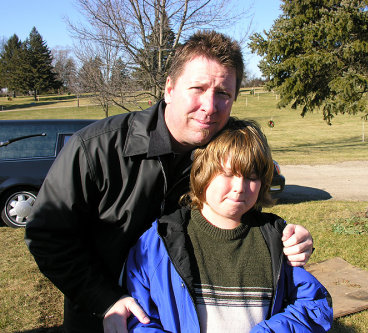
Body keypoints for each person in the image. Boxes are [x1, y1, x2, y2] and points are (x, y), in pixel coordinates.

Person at [25, 30, 314, 333]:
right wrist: (105, 299)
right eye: (198, 88)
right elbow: (48, 234)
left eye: (223, 94)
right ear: (169, 89)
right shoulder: (96, 149)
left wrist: (290, 239)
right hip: (103, 318)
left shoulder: (224, 153)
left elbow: (243, 214)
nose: (210, 106)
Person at [126, 118, 333, 332]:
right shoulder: (161, 239)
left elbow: (314, 305)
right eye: (228, 173)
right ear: (202, 172)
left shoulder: (276, 240)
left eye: (252, 177)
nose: (239, 187)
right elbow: (138, 317)